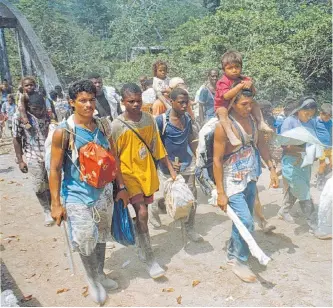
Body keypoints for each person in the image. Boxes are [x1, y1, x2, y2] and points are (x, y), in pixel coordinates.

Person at [49, 79, 129, 305]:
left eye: (92, 100)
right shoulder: (63, 133)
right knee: (85, 239)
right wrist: (55, 203)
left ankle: (101, 273)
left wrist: (120, 187)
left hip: (103, 193)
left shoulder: (104, 126)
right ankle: (92, 280)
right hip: (77, 195)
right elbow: (54, 169)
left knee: (101, 235)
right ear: (72, 102)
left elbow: (114, 160)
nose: (88, 105)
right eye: (82, 100)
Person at [111, 83, 176, 279]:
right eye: (131, 101)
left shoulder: (149, 120)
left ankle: (140, 238)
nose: (136, 104)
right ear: (123, 102)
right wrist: (118, 184)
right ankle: (149, 256)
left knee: (143, 214)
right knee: (142, 211)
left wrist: (171, 170)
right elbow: (113, 156)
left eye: (138, 101)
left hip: (146, 172)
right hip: (128, 174)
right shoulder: (117, 126)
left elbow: (157, 146)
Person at [213, 87, 279, 282]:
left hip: (249, 178)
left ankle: (234, 251)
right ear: (233, 105)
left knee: (243, 220)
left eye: (251, 104)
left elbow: (261, 146)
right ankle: (238, 261)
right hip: (231, 182)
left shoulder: (253, 121)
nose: (249, 108)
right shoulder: (223, 127)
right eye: (244, 104)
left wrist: (271, 168)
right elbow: (217, 160)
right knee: (246, 222)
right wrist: (220, 192)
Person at [151, 88, 203, 241]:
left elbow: (190, 139)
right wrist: (169, 166)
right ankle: (155, 208)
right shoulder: (161, 121)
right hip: (167, 165)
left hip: (186, 163)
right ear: (171, 102)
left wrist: (198, 157)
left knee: (191, 196)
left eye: (186, 102)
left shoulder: (187, 118)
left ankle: (190, 228)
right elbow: (157, 147)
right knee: (173, 197)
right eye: (180, 102)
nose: (184, 105)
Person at [12, 91, 54, 226]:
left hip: (49, 154)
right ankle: (46, 210)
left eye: (41, 108)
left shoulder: (48, 115)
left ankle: (54, 206)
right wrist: (20, 160)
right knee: (38, 185)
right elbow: (16, 138)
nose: (39, 112)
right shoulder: (18, 117)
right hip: (32, 155)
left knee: (52, 183)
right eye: (36, 109)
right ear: (29, 107)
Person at [214, 50, 273, 146]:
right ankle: (230, 134)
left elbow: (253, 93)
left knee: (254, 103)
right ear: (224, 69)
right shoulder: (223, 81)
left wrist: (251, 85)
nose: (234, 70)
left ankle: (261, 122)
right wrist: (239, 86)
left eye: (237, 67)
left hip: (240, 105)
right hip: (224, 106)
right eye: (230, 68)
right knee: (222, 112)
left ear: (241, 67)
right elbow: (226, 96)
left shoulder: (244, 79)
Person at [278, 97, 318, 231]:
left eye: (311, 115)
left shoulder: (311, 123)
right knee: (304, 192)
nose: (309, 117)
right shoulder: (289, 122)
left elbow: (314, 141)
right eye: (306, 114)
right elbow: (285, 146)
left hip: (305, 163)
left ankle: (284, 210)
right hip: (291, 162)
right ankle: (315, 226)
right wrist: (304, 151)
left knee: (298, 188)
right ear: (299, 110)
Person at [314, 103, 332, 190]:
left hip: (329, 146)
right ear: (321, 113)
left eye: (329, 117)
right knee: (323, 164)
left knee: (331, 164)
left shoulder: (330, 122)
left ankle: (320, 174)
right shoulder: (315, 121)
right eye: (326, 117)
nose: (327, 119)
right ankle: (320, 180)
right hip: (320, 147)